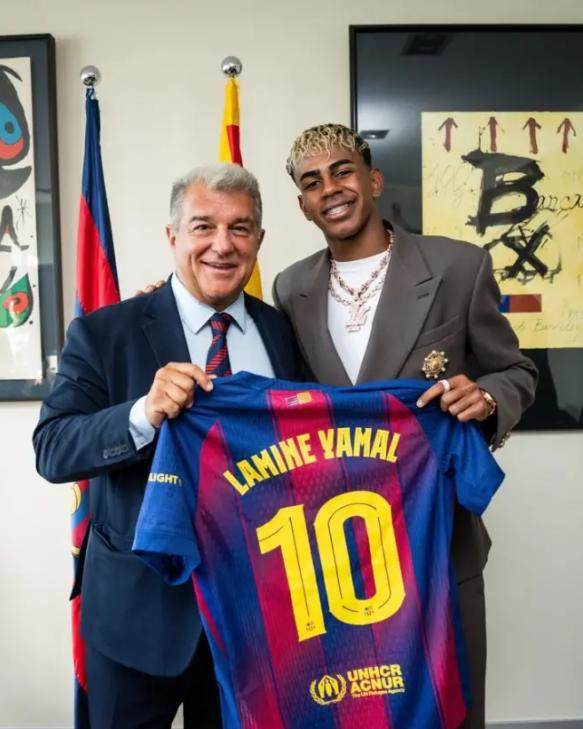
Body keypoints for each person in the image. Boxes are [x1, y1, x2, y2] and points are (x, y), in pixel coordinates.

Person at [272, 123, 538, 729]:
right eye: (312, 182)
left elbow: (517, 371)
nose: (330, 189)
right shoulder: (291, 288)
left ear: (373, 180)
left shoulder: (457, 265)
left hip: (438, 536)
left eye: (342, 171)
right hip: (338, 554)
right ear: (303, 205)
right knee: (355, 712)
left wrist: (487, 398)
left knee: (452, 708)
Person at [33, 163, 304, 728]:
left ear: (259, 239)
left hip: (254, 617)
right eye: (203, 226)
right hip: (136, 619)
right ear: (172, 236)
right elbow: (53, 448)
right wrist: (142, 414)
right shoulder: (105, 332)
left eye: (240, 228)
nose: (222, 245)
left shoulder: (281, 332)